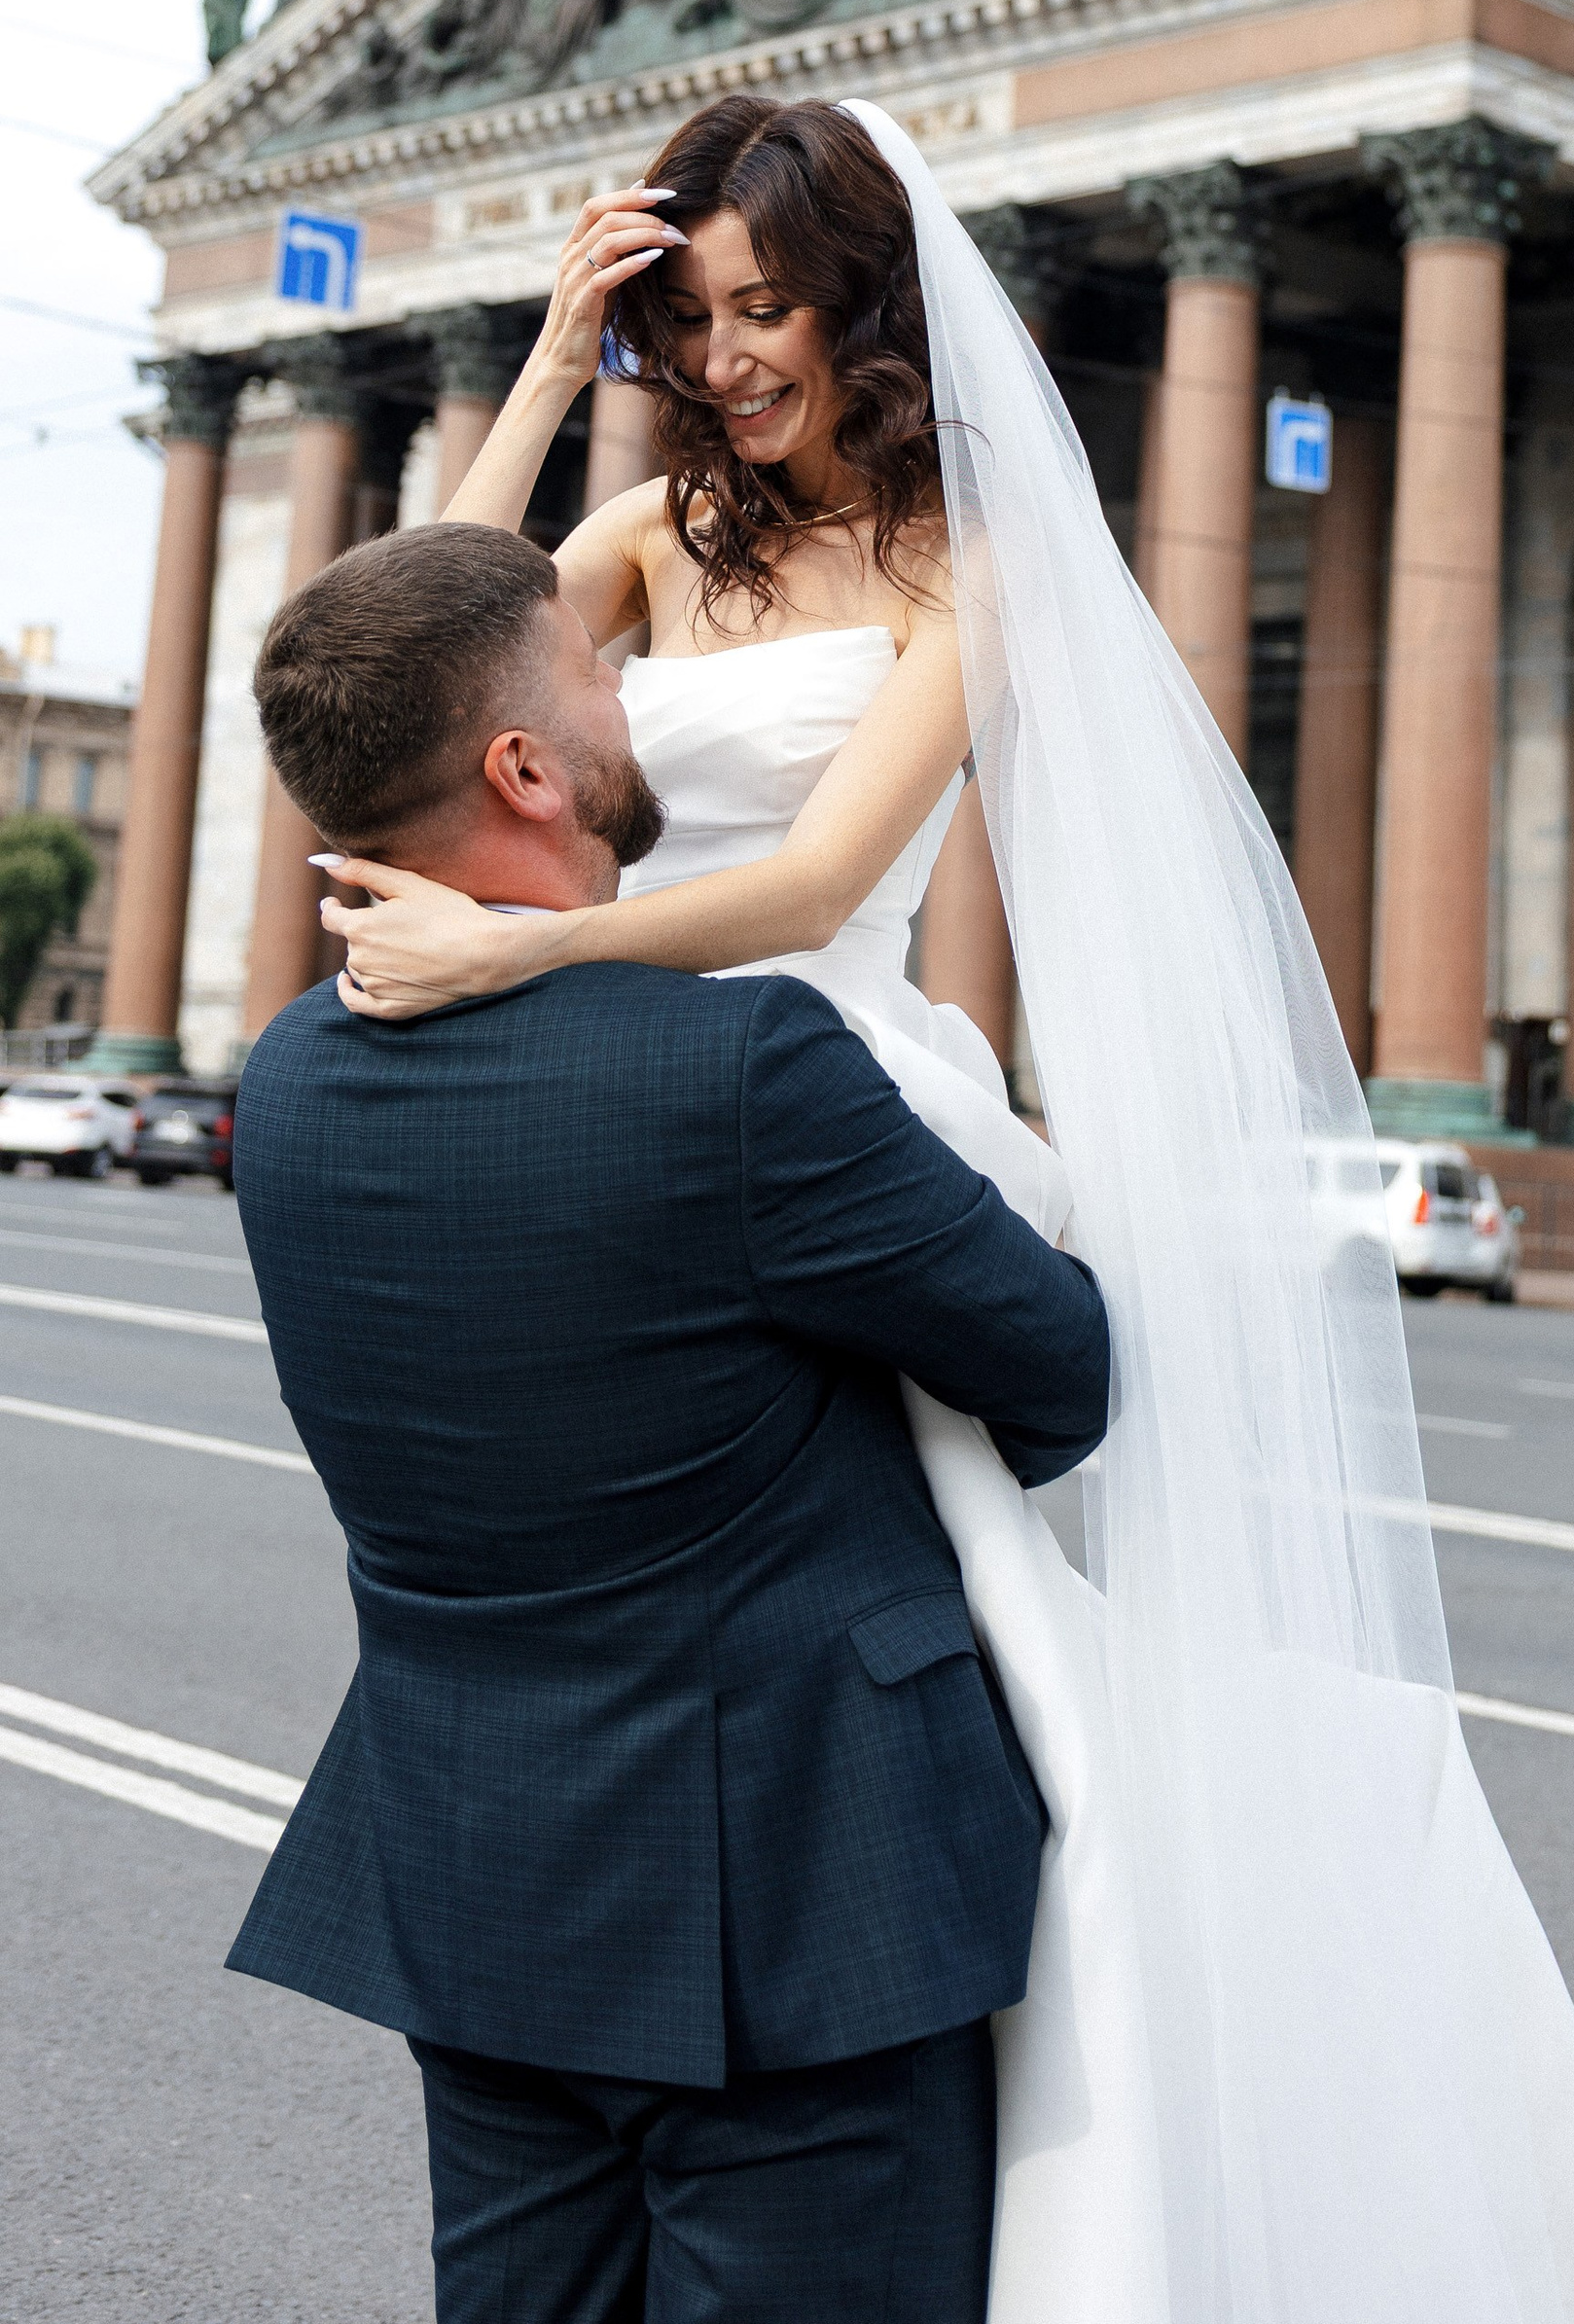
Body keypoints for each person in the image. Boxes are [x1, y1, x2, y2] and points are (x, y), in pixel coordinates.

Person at [323, 93, 1574, 2324]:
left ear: (860, 303)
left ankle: (993, 2070)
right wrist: (553, 375)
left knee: (979, 1645)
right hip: (630, 1073)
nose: (733, 353)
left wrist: (519, 951)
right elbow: (413, 664)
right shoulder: (659, 526)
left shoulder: (970, 555)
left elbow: (809, 881)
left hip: (820, 1081)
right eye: (695, 314)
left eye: (765, 309)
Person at [229, 517, 1109, 2324]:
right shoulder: (739, 1067)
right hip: (798, 1895)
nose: (634, 683)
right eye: (592, 672)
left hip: (477, 1878)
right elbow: (1060, 1372)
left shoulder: (291, 1083)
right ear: (526, 768)